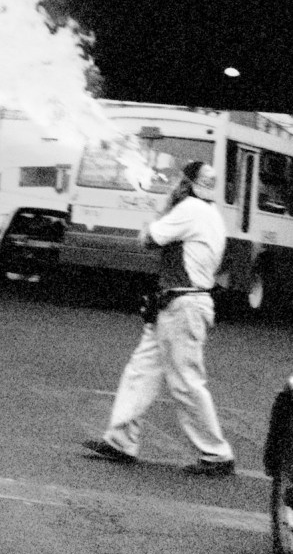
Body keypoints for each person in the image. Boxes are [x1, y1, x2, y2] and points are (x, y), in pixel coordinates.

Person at [85, 158, 236, 476]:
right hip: (178, 303)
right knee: (141, 372)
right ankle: (120, 442)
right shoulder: (210, 213)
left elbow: (148, 239)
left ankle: (217, 454)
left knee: (186, 383)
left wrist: (162, 207)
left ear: (186, 184)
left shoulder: (189, 209)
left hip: (183, 304)